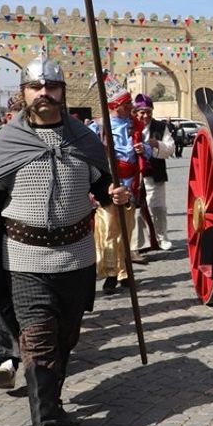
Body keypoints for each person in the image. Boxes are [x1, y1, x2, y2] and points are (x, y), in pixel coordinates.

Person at [0, 56, 130, 426]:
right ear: (24, 93)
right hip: (25, 259)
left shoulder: (83, 139)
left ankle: (55, 406)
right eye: (36, 87)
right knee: (39, 340)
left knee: (66, 339)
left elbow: (102, 189)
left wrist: (116, 195)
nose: (44, 93)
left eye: (52, 86)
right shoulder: (7, 142)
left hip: (77, 257)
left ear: (63, 92)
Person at [90, 75, 149, 293]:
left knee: (126, 229)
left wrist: (145, 150)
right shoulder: (98, 127)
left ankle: (124, 272)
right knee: (108, 230)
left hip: (131, 182)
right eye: (125, 105)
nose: (129, 108)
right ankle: (110, 273)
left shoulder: (135, 125)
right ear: (114, 106)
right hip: (108, 184)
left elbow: (146, 151)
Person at [132, 94, 175, 252]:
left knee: (158, 207)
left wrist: (157, 144)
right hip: (134, 173)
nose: (145, 115)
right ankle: (140, 242)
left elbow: (170, 148)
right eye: (142, 112)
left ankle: (162, 237)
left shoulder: (160, 127)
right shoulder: (130, 126)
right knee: (136, 208)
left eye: (148, 111)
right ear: (136, 112)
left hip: (155, 172)